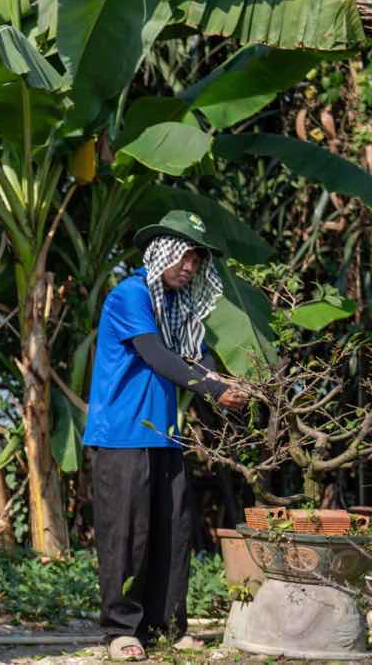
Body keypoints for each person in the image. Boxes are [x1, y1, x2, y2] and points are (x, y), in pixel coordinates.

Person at [83, 210, 250, 661]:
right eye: (184, 257)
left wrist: (229, 383)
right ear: (162, 253)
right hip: (122, 436)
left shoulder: (177, 307)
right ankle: (120, 630)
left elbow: (196, 357)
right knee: (128, 536)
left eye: (197, 260)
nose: (190, 267)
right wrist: (214, 390)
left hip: (165, 435)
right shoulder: (131, 295)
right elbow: (156, 354)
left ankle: (168, 627)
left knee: (173, 534)